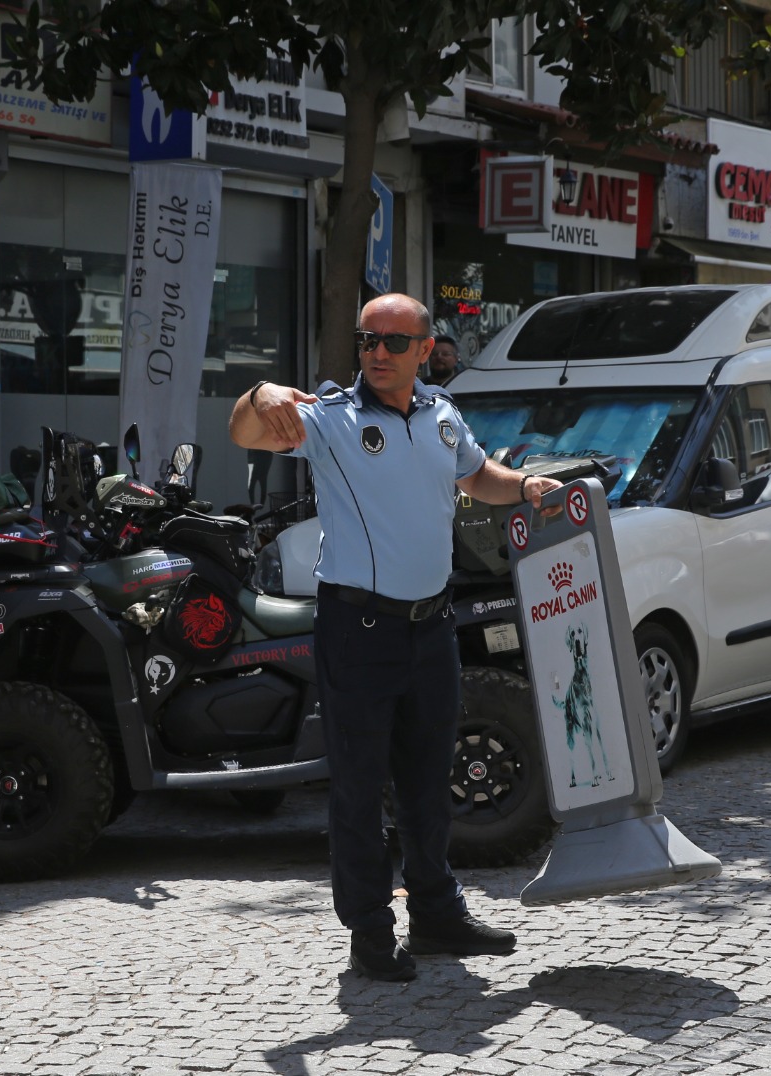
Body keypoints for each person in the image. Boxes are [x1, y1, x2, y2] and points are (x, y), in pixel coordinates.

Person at [228, 293, 561, 982]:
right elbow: (243, 431)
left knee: (426, 781)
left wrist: (525, 486)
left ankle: (437, 916)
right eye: (367, 340)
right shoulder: (330, 418)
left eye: (392, 342)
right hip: (360, 627)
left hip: (431, 625)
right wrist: (260, 392)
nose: (377, 352)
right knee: (357, 787)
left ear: (424, 348)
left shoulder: (442, 414)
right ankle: (371, 935)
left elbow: (476, 476)